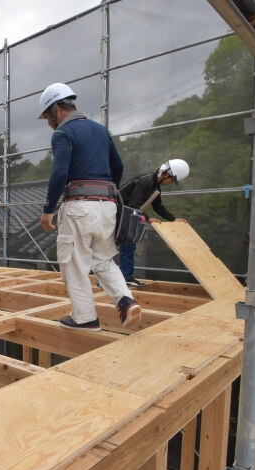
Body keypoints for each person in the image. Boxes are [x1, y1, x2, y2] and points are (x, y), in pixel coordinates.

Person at [37, 82, 141, 331]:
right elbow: (118, 166)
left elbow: (60, 172)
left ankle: (85, 318)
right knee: (104, 260)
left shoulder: (62, 134)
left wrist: (48, 209)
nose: (49, 124)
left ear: (55, 109)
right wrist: (105, 195)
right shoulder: (100, 130)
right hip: (107, 207)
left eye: (47, 118)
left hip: (79, 207)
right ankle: (125, 300)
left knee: (74, 263)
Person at [117, 159, 191, 287]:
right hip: (116, 211)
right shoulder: (147, 182)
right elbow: (133, 204)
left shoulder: (155, 186)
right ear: (165, 173)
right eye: (172, 179)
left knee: (127, 246)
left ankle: (123, 277)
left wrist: (173, 219)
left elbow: (158, 207)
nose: (171, 183)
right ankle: (122, 278)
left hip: (125, 212)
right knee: (123, 246)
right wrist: (148, 218)